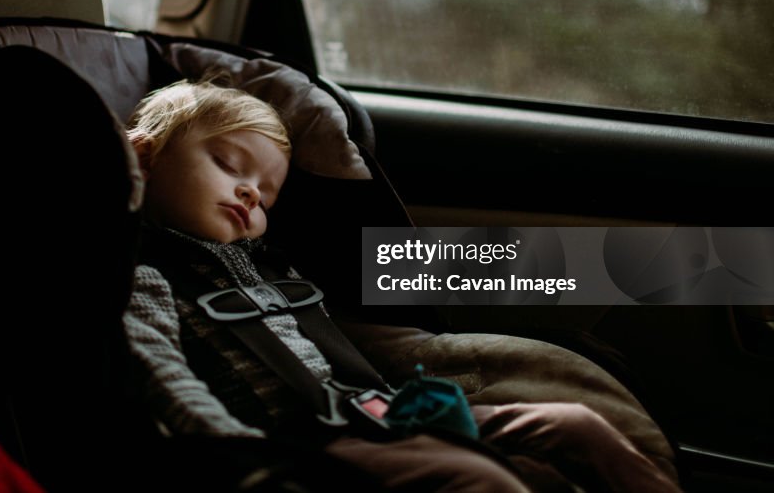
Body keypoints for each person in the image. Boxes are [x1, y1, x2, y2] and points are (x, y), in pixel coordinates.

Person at [122, 79, 680, 492]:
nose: (249, 194)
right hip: (293, 448)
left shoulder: (268, 265)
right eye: (227, 163)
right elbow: (160, 374)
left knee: (573, 426)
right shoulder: (141, 274)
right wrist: (240, 459)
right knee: (486, 483)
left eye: (265, 196)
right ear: (143, 156)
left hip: (378, 413)